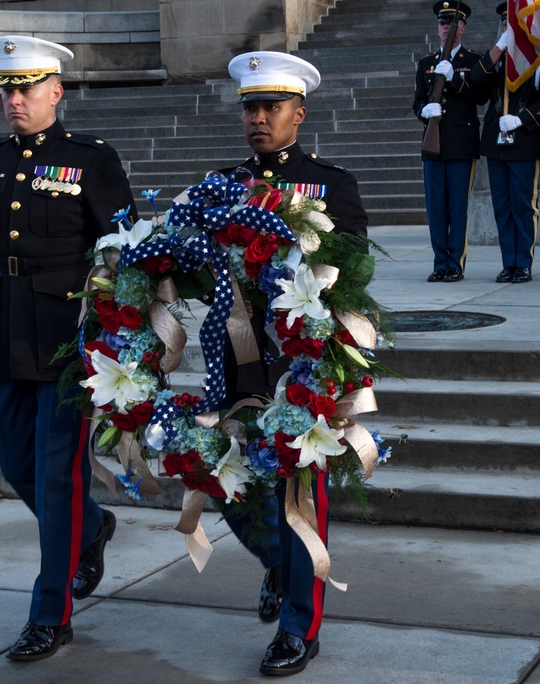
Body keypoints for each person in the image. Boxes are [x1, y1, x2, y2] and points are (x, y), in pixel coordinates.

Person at [0, 35, 136, 661]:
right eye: (6, 89)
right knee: (16, 462)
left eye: (26, 89)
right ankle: (92, 526)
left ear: (56, 91)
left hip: (67, 340)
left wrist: (121, 335)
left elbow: (124, 253)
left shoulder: (92, 160)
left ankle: (50, 613)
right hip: (3, 329)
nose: (14, 100)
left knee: (55, 475)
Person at [218, 50, 369, 677]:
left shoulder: (330, 184)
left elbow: (357, 271)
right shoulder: (223, 183)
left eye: (270, 107)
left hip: (304, 356)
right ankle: (278, 565)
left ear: (298, 114)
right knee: (230, 480)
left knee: (301, 490)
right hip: (238, 351)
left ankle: (298, 629)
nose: (258, 118)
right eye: (250, 107)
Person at [470, 3, 540, 283]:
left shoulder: (539, 59)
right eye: (506, 24)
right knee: (502, 206)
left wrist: (523, 120)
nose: (510, 29)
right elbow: (474, 81)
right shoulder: (496, 58)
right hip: (495, 141)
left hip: (523, 139)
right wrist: (498, 48)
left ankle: (523, 262)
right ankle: (508, 261)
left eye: (516, 25)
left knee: (522, 205)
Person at [412, 0, 485, 283]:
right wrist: (423, 111)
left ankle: (455, 263)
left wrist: (455, 79)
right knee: (437, 209)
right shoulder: (426, 63)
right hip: (434, 145)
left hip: (461, 145)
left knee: (457, 208)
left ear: (462, 29)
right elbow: (418, 100)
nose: (446, 29)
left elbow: (480, 97)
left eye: (451, 24)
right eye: (442, 24)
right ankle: (439, 262)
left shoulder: (473, 61)